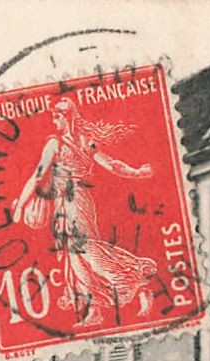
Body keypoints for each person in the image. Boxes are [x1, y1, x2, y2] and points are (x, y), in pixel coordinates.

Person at [11, 97, 159, 326]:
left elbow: (110, 163)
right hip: (62, 203)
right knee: (76, 261)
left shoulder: (80, 142)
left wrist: (137, 172)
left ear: (67, 117)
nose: (55, 121)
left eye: (58, 116)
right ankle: (96, 309)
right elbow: (39, 175)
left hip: (76, 201)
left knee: (85, 250)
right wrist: (22, 203)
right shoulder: (58, 143)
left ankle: (133, 281)